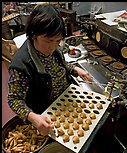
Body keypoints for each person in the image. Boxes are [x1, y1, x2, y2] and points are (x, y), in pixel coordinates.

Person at [8, 4, 92, 137]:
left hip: (67, 98)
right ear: (33, 35)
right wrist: (33, 117)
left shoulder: (53, 48)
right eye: (48, 41)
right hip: (48, 110)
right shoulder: (21, 65)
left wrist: (75, 69)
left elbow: (60, 66)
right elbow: (14, 99)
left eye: (57, 40)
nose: (52, 47)